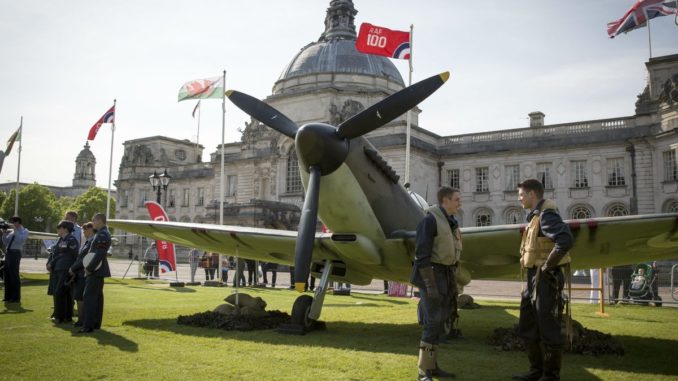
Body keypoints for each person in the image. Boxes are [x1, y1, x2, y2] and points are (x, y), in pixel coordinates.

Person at [514, 179, 574, 381]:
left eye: (521, 194)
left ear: (533, 195)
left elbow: (565, 240)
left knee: (548, 328)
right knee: (528, 326)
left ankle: (550, 375)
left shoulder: (547, 214)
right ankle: (536, 371)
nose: (519, 198)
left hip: (545, 280)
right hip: (534, 279)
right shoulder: (536, 216)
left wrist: (547, 266)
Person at [410, 186, 462, 381]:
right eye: (457, 199)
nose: (460, 202)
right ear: (445, 201)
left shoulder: (450, 222)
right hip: (432, 275)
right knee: (432, 322)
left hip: (445, 275)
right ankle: (424, 371)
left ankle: (432, 366)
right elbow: (421, 255)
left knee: (439, 321)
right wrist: (430, 286)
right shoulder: (429, 220)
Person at [78, 213, 111, 333]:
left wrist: (89, 268)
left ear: (99, 220)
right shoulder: (102, 233)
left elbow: (99, 254)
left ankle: (88, 326)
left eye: (94, 220)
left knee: (89, 297)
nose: (93, 223)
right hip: (98, 269)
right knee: (96, 298)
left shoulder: (102, 234)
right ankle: (95, 324)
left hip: (96, 270)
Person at [50, 220, 79, 324]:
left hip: (66, 269)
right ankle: (67, 316)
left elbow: (74, 255)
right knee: (64, 293)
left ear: (65, 229)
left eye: (60, 227)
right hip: (58, 268)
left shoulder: (71, 239)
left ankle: (59, 316)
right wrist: (51, 263)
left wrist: (73, 270)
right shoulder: (61, 240)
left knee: (60, 292)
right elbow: (57, 254)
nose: (58, 229)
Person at [69, 222, 95, 326]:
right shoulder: (87, 242)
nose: (83, 232)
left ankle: (82, 320)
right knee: (78, 297)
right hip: (79, 272)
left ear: (90, 230)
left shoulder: (92, 242)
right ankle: (81, 319)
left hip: (84, 273)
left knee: (80, 297)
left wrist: (73, 268)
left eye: (85, 230)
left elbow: (85, 259)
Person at [2, 216, 29, 303]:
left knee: (14, 275)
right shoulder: (11, 232)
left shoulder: (25, 231)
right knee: (7, 275)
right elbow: (6, 242)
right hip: (8, 253)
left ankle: (16, 297)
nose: (11, 224)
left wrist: (15, 230)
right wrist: (4, 233)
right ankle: (8, 296)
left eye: (12, 222)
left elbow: (20, 240)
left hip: (15, 253)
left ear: (18, 222)